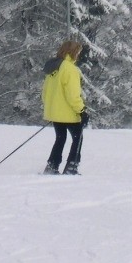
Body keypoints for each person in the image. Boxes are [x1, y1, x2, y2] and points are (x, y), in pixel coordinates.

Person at [41, 38, 87, 175]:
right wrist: (82, 110)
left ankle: (52, 165)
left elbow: (45, 92)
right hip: (69, 113)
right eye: (78, 52)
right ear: (73, 52)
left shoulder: (53, 67)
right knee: (78, 137)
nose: (79, 55)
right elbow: (73, 95)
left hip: (54, 112)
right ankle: (71, 166)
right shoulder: (70, 69)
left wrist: (52, 106)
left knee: (60, 138)